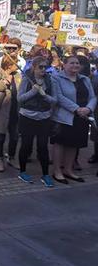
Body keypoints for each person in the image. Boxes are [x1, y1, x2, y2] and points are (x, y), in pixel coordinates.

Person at [51, 55, 96, 183]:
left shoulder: (85, 79)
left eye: (77, 63)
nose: (75, 65)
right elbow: (59, 97)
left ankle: (68, 170)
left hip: (83, 116)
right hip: (64, 117)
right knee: (60, 143)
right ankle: (57, 171)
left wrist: (88, 108)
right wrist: (76, 109)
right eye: (72, 63)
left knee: (74, 144)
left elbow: (93, 97)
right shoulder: (56, 78)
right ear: (64, 65)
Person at [17, 56, 57, 187]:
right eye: (41, 67)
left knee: (43, 146)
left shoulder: (50, 80)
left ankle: (45, 174)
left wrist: (45, 96)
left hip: (43, 118)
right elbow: (20, 99)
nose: (44, 70)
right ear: (34, 67)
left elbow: (55, 100)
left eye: (46, 67)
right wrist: (34, 91)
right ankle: (22, 171)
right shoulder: (26, 80)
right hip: (27, 117)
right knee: (26, 145)